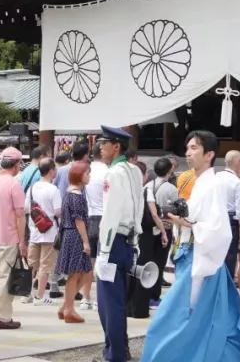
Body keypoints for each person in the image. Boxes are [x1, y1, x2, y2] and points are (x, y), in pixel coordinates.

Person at [142, 130, 240, 362]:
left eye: (194, 148)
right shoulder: (198, 182)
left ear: (209, 155)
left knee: (172, 320)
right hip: (193, 257)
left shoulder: (211, 185)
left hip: (200, 261)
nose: (188, 153)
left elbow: (219, 230)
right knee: (196, 320)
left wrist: (183, 222)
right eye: (187, 148)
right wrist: (184, 222)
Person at [94, 125, 143, 362]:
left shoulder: (113, 173)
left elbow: (111, 214)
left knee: (108, 303)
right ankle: (119, 351)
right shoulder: (134, 170)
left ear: (116, 147)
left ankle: (114, 355)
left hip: (112, 242)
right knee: (118, 301)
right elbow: (139, 206)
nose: (100, 147)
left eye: (104, 143)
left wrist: (103, 250)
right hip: (128, 240)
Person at [0, 147, 27, 330]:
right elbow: (20, 215)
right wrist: (22, 240)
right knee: (5, 275)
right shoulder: (14, 184)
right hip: (9, 235)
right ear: (16, 164)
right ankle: (3, 316)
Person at [55, 160, 92, 323]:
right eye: (87, 173)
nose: (89, 176)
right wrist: (85, 241)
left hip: (69, 235)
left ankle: (66, 306)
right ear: (79, 176)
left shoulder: (70, 193)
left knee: (82, 272)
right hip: (76, 236)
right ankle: (69, 309)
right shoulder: (76, 195)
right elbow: (79, 220)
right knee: (77, 273)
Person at [140, 156, 178, 311]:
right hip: (164, 228)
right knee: (159, 264)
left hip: (148, 229)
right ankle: (154, 296)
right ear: (170, 170)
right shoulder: (171, 189)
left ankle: (145, 294)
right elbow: (176, 210)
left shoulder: (147, 185)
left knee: (148, 262)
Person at [25, 158, 62, 305]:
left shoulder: (32, 188)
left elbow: (27, 208)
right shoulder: (53, 189)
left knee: (31, 264)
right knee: (45, 265)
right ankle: (40, 296)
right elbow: (57, 212)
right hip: (49, 231)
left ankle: (27, 293)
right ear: (51, 171)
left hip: (34, 230)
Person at [83, 140, 108, 310]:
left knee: (88, 261)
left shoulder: (87, 171)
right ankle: (100, 297)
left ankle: (86, 298)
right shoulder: (109, 172)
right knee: (103, 258)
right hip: (104, 217)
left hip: (89, 216)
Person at [217, 150, 240, 277]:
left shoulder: (215, 176)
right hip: (230, 221)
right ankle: (227, 287)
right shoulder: (237, 182)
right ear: (238, 163)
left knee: (216, 256)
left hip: (215, 218)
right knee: (229, 257)